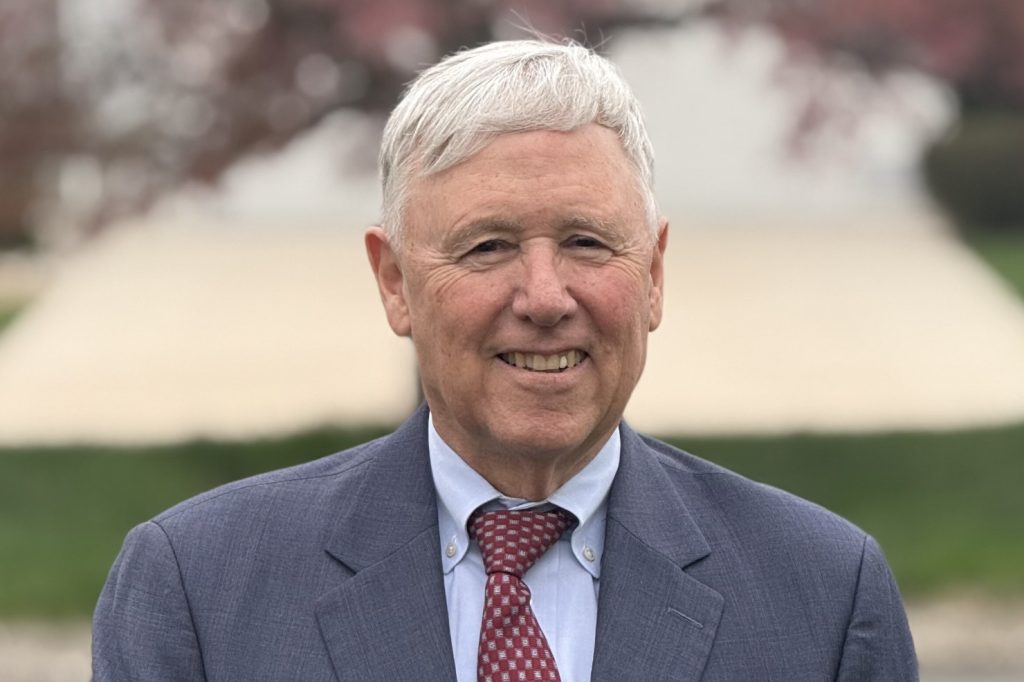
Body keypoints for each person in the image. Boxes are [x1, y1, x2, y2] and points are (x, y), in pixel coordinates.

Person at [92, 40, 917, 681]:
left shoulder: (823, 593)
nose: (545, 297)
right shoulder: (198, 589)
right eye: (487, 247)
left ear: (655, 275)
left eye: (586, 242)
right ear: (395, 283)